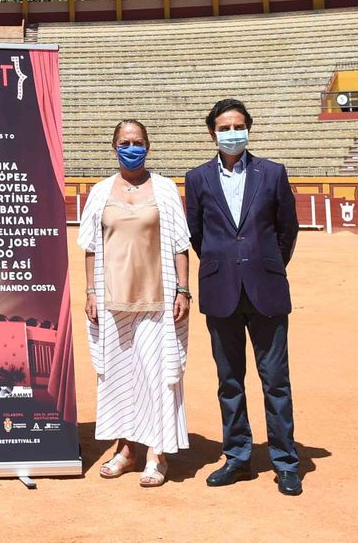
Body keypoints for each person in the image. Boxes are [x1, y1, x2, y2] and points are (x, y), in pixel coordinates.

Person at [183, 98, 303, 496]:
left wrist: (266, 263)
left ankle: (285, 460)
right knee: (229, 381)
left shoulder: (272, 173)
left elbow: (288, 228)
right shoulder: (197, 178)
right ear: (212, 133)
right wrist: (224, 265)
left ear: (248, 128)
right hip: (221, 291)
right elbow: (197, 234)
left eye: (238, 126)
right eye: (224, 127)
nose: (232, 133)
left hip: (265, 287)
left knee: (276, 381)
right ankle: (237, 457)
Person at [79, 119, 192, 488]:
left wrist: (184, 290)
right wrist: (90, 292)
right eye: (125, 142)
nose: (132, 147)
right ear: (114, 147)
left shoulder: (163, 189)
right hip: (112, 300)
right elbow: (91, 249)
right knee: (118, 376)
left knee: (156, 374)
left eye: (139, 141)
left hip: (157, 299)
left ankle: (157, 455)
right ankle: (126, 450)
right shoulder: (99, 192)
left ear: (149, 146)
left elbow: (179, 245)